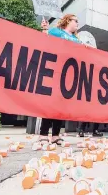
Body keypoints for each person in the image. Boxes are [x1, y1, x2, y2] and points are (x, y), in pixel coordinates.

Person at [38, 14, 88, 146]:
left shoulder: (76, 39)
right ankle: (43, 134)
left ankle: (55, 135)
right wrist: (44, 29)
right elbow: (45, 41)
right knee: (51, 103)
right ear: (67, 21)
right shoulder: (56, 32)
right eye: (75, 20)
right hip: (55, 71)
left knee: (61, 105)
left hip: (69, 75)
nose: (77, 23)